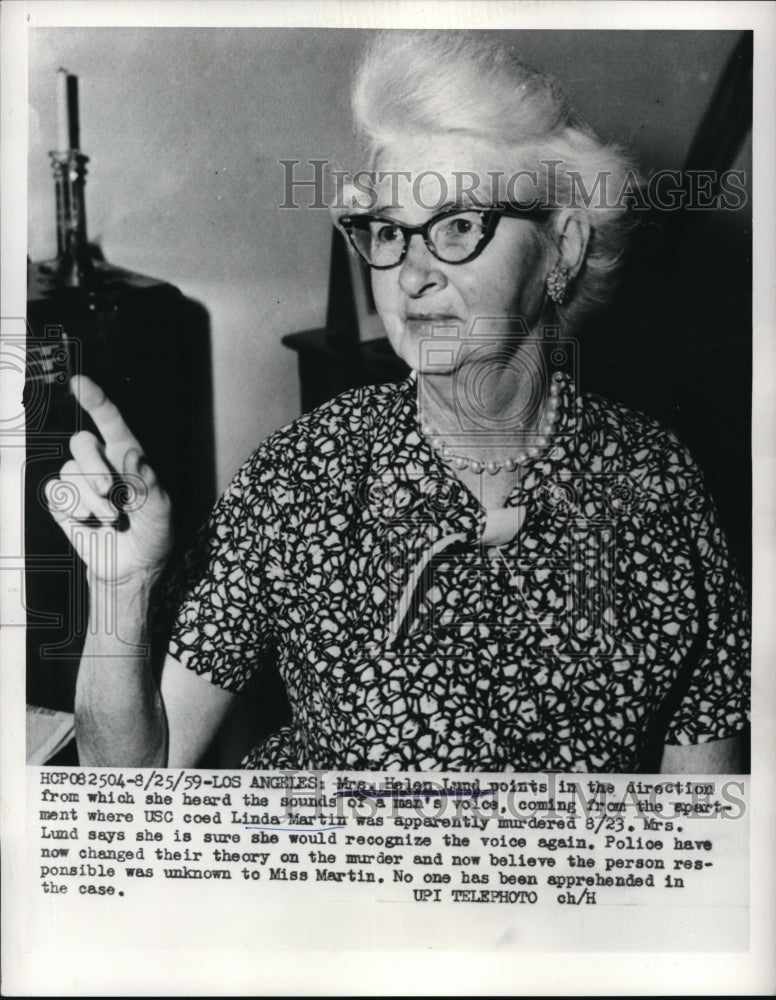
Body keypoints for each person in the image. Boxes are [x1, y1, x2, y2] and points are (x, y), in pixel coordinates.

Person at [46, 31, 749, 773]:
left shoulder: (659, 485)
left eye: (456, 226)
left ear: (564, 247)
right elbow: (131, 785)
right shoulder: (306, 473)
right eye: (388, 230)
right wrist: (120, 593)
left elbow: (706, 837)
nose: (411, 276)